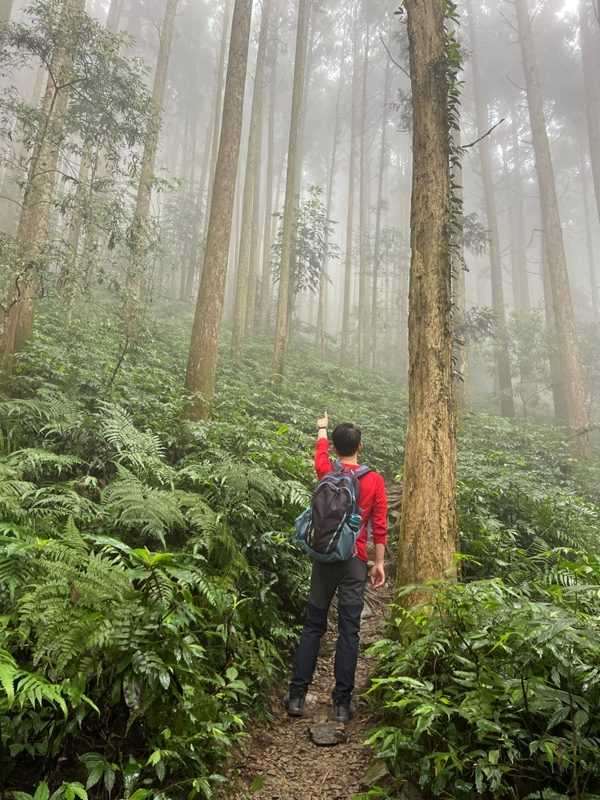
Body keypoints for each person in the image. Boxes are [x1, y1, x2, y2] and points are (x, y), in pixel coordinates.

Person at [285, 413, 387, 723]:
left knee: (313, 626)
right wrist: (379, 562)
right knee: (349, 631)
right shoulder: (374, 480)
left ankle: (297, 698)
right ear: (361, 446)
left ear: (335, 447)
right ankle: (342, 703)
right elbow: (379, 525)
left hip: (323, 557)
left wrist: (321, 427)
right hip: (354, 562)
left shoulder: (328, 470)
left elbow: (318, 455)